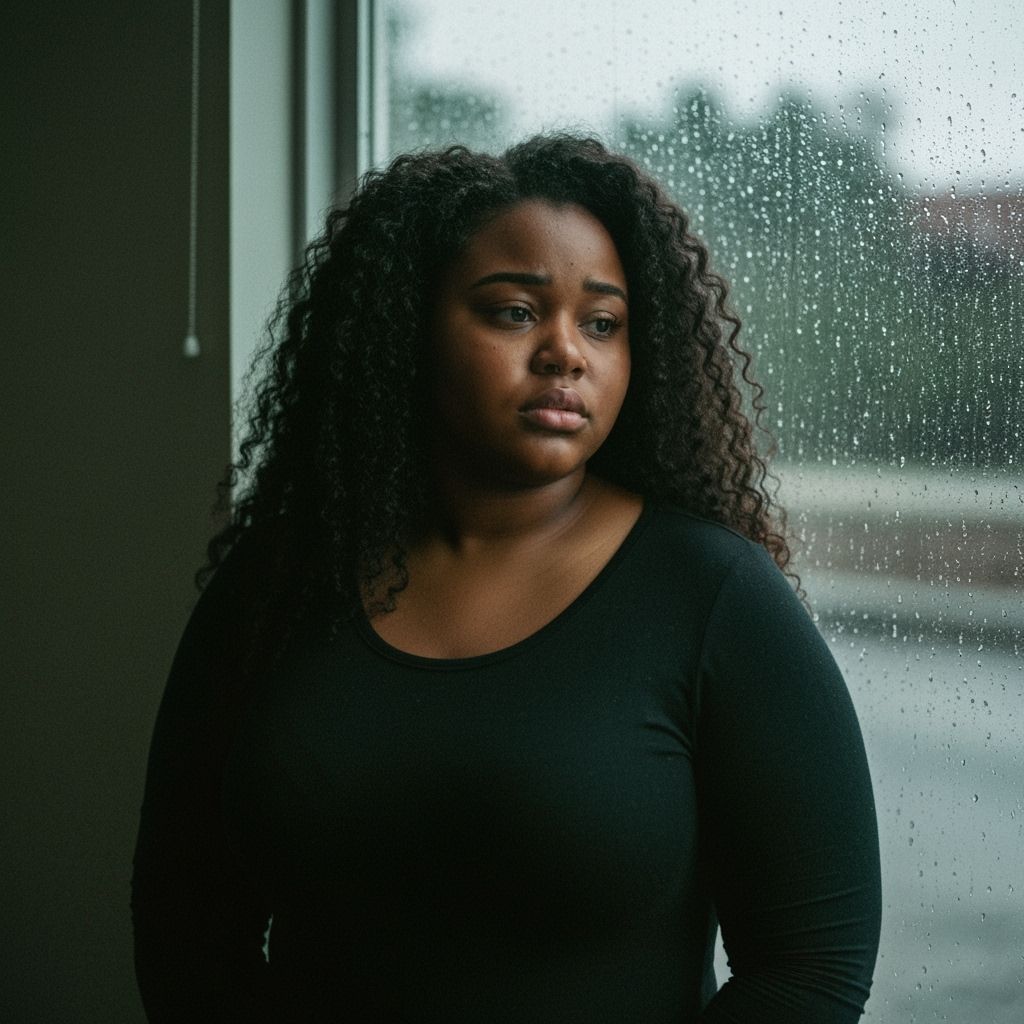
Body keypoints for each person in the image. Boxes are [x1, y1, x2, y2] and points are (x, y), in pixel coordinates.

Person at [132, 134, 881, 1022]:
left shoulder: (713, 595)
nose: (567, 352)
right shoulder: (282, 582)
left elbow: (811, 968)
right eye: (515, 312)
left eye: (602, 323)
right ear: (407, 325)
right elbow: (184, 925)